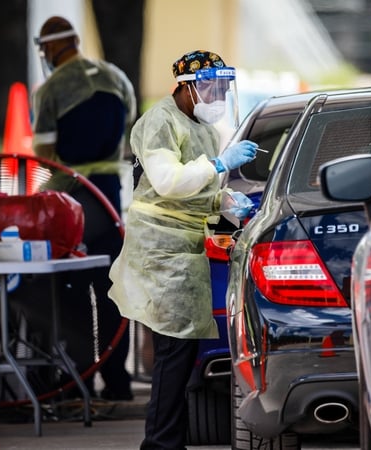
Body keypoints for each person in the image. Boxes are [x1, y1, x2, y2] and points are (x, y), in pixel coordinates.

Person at [108, 50, 257, 449]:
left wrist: (226, 204)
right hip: (161, 253)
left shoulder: (204, 130)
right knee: (173, 357)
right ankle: (160, 444)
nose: (218, 97)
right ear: (187, 87)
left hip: (187, 253)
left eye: (223, 89)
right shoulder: (160, 122)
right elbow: (169, 182)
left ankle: (168, 441)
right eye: (212, 88)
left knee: (183, 357)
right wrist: (220, 164)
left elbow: (200, 195)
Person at [31, 16, 137, 401]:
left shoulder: (50, 90)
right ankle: (118, 382)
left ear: (51, 46)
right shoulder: (117, 78)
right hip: (108, 196)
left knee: (72, 289)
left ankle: (77, 382)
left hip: (70, 198)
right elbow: (127, 129)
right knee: (111, 290)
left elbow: (43, 154)